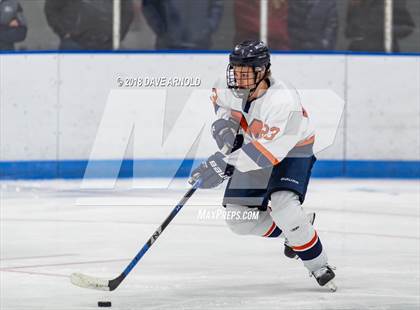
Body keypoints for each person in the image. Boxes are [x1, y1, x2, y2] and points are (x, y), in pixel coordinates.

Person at [189, 40, 336, 291]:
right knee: (238, 218)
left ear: (264, 71)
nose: (238, 77)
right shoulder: (223, 85)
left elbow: (269, 155)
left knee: (283, 206)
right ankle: (297, 231)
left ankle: (319, 265)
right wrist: (225, 128)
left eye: (246, 73)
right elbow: (225, 111)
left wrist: (224, 164)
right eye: (235, 70)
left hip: (292, 151)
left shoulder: (283, 102)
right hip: (253, 148)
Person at [44, 0, 134, 51]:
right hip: (74, 44)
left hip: (108, 44)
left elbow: (128, 11)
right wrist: (63, 33)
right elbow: (51, 9)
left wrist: (117, 36)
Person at [142, 0, 223, 50]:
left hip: (200, 46)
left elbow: (216, 5)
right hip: (168, 47)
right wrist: (161, 30)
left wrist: (207, 29)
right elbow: (148, 6)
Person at [345, 0, 415, 52]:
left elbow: (408, 26)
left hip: (385, 52)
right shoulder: (356, 2)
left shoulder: (390, 2)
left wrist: (386, 31)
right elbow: (348, 29)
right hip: (358, 52)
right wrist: (354, 32)